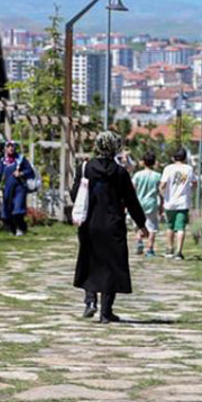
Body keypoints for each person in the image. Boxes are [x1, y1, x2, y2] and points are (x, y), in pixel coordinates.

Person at [73, 131, 149, 323]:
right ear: (114, 148)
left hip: (89, 224)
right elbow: (131, 200)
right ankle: (106, 312)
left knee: (90, 261)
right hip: (113, 225)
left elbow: (75, 195)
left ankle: (90, 300)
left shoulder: (86, 169)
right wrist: (141, 224)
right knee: (111, 266)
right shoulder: (120, 173)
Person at [159, 148, 197, 259]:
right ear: (185, 158)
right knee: (180, 227)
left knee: (170, 226)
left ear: (173, 158)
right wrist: (190, 191)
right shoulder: (189, 169)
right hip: (183, 202)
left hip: (170, 202)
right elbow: (194, 183)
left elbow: (162, 185)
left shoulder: (168, 168)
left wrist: (164, 196)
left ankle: (169, 249)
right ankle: (179, 252)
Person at [0, 140, 36, 236]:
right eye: (8, 146)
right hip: (8, 189)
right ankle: (11, 229)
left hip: (19, 188)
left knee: (18, 209)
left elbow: (30, 171)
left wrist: (21, 173)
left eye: (12, 146)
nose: (11, 148)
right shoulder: (3, 161)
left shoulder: (21, 159)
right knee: (7, 210)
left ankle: (20, 228)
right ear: (5, 148)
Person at [131, 151, 162, 257]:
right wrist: (161, 204)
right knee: (152, 226)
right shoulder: (157, 176)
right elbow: (160, 191)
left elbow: (132, 189)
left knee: (138, 224)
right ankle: (150, 248)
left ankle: (139, 241)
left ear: (143, 162)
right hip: (152, 202)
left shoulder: (137, 175)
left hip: (139, 202)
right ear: (154, 163)